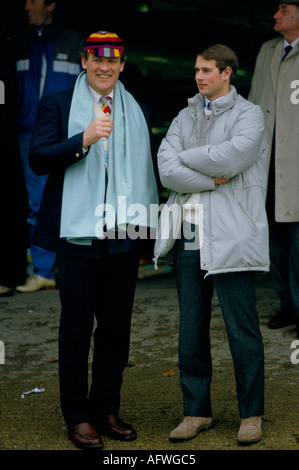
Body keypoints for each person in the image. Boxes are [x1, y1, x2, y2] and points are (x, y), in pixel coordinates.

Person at [28, 31, 158, 449]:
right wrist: (81, 141)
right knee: (77, 328)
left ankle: (106, 410)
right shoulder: (58, 104)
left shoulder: (136, 108)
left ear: (122, 65)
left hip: (122, 233)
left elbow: (146, 175)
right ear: (84, 61)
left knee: (116, 329)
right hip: (77, 233)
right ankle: (78, 416)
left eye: (114, 61)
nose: (105, 67)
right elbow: (38, 158)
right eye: (97, 60)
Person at [154, 44, 269, 445]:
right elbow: (166, 169)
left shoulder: (249, 115)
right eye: (197, 70)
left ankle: (251, 415)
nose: (199, 76)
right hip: (190, 231)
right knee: (191, 329)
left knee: (242, 329)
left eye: (207, 70)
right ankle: (196, 412)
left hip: (233, 231)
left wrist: (189, 159)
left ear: (227, 73)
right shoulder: (185, 115)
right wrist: (204, 176)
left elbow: (232, 158)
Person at [9, 0, 84, 293]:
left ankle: (69, 269)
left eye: (33, 0)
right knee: (37, 205)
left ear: (51, 5)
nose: (26, 6)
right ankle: (42, 271)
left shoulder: (74, 41)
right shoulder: (18, 43)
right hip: (28, 134)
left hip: (70, 135)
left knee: (74, 200)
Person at [248, 1, 299, 338]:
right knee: (275, 241)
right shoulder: (267, 50)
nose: (275, 14)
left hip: (295, 163)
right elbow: (252, 103)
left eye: (283, 8)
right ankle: (287, 305)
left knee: (298, 242)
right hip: (267, 161)